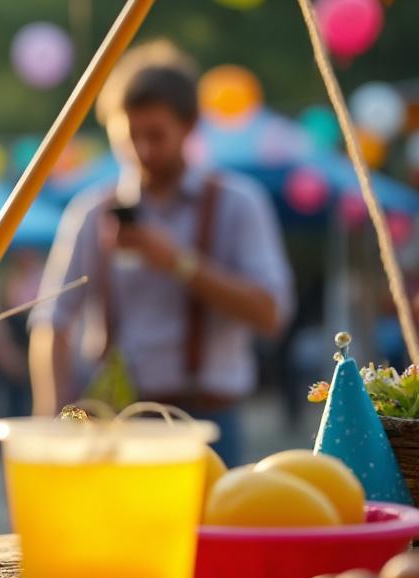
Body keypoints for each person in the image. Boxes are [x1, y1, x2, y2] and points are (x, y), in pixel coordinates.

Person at [27, 41, 294, 465]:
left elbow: (271, 313)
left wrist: (179, 263)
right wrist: (53, 423)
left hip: (210, 420)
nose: (142, 152)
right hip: (117, 416)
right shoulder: (92, 211)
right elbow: (51, 323)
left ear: (189, 127)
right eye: (129, 138)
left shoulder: (239, 203)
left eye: (156, 136)